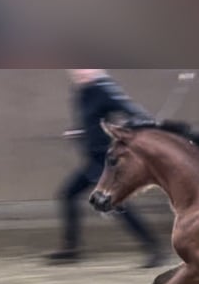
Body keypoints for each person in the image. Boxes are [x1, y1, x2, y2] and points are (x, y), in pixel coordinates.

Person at [47, 69, 165, 268]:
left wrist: (127, 130)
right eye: (75, 71)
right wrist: (80, 132)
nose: (78, 74)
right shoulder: (82, 93)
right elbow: (92, 121)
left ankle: (154, 248)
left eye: (83, 70)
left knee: (117, 207)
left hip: (105, 163)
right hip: (92, 161)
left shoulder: (105, 90)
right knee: (68, 195)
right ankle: (71, 249)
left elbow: (138, 115)